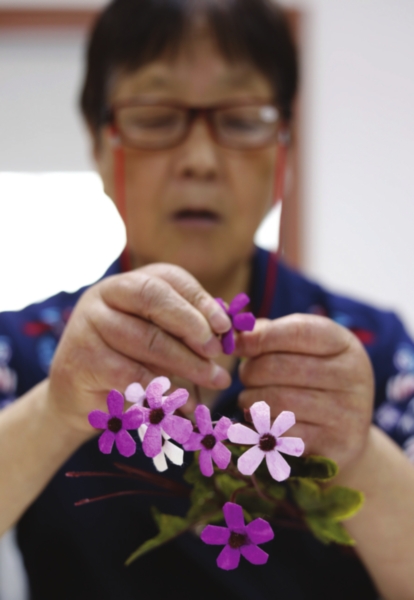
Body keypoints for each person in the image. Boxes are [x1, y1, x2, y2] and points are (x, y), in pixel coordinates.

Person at [1, 0, 414, 598]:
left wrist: (358, 455)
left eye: (243, 119)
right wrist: (55, 411)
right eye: (155, 115)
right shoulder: (28, 347)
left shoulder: (373, 352)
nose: (199, 160)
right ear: (97, 144)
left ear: (285, 152)